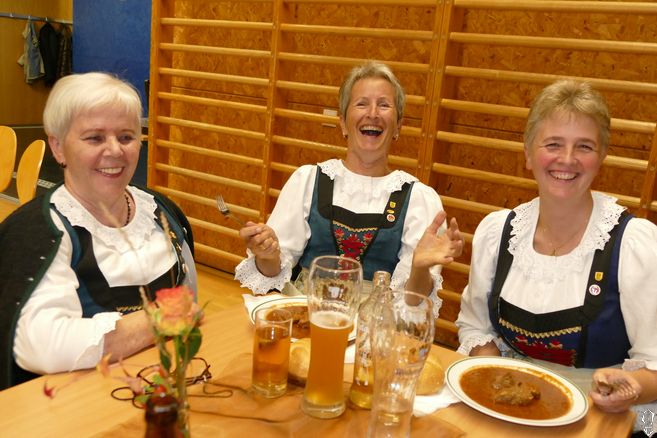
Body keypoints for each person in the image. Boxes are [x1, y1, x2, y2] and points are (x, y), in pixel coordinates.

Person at [456, 80, 657, 423]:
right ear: (528, 154)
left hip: (600, 419)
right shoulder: (498, 233)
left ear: (601, 158)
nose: (567, 159)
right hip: (509, 412)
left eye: (584, 146)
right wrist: (497, 377)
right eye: (553, 144)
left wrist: (631, 387)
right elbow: (476, 327)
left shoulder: (635, 245)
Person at [0, 72, 197, 390]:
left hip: (164, 388)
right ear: (58, 148)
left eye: (126, 137)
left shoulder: (162, 212)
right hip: (79, 402)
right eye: (94, 138)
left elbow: (191, 303)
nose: (115, 150)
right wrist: (158, 320)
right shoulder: (36, 232)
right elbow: (39, 345)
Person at [235, 61, 463, 305]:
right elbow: (271, 273)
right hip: (305, 318)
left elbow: (412, 304)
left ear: (398, 126)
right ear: (343, 122)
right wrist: (267, 255)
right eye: (361, 103)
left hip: (374, 326)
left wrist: (419, 268)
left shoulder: (419, 199)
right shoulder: (307, 181)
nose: (373, 113)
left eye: (384, 105)